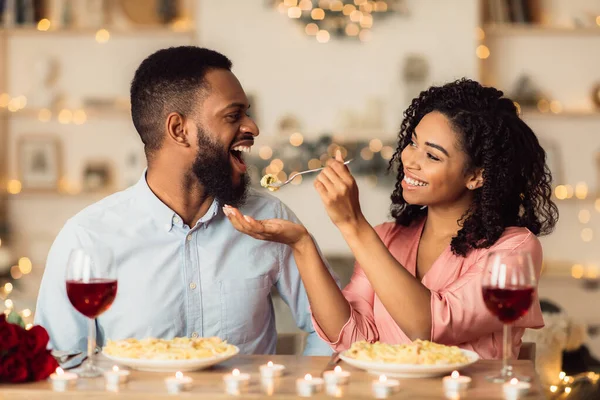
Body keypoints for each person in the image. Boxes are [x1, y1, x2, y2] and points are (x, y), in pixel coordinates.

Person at [223, 78, 559, 359]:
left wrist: (353, 225)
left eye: (432, 155)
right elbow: (353, 339)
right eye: (413, 144)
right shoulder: (388, 238)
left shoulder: (514, 249)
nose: (410, 160)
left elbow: (433, 326)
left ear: (477, 176)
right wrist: (302, 244)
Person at [34, 46, 336, 356]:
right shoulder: (87, 237)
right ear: (179, 130)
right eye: (234, 116)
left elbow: (335, 334)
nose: (252, 128)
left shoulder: (270, 218)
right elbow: (61, 361)